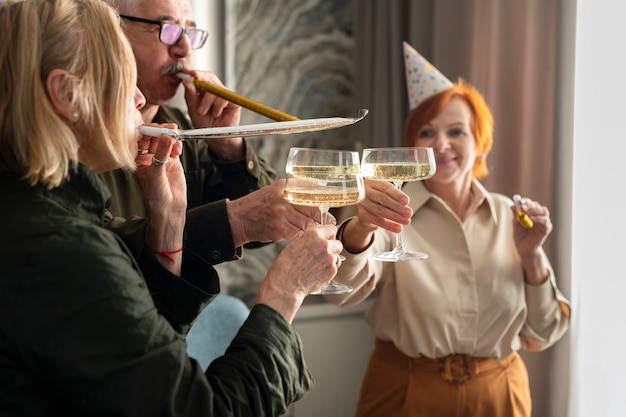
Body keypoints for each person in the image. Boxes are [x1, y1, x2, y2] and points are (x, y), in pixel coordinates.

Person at [0, 0, 343, 415]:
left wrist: (168, 224)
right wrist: (285, 294)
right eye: (124, 78)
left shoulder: (39, 210)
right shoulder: (61, 246)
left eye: (189, 31)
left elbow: (130, 357)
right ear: (67, 93)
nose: (141, 98)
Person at [325, 42, 571, 417]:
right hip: (405, 391)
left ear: (481, 146)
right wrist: (361, 227)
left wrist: (532, 255)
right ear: (412, 148)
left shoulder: (512, 217)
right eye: (426, 133)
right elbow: (342, 294)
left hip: (500, 396)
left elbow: (544, 333)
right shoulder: (392, 213)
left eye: (457, 132)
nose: (441, 144)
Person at [100, 0, 322, 266]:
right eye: (168, 29)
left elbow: (265, 230)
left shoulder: (181, 129)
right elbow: (100, 260)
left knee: (231, 309)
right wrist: (236, 220)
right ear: (109, 30)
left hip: (175, 306)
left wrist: (226, 143)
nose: (184, 48)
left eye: (190, 33)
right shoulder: (78, 137)